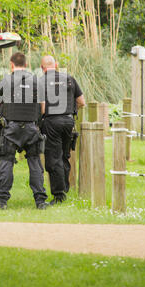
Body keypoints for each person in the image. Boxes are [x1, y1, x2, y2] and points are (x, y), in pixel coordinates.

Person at [0, 52, 49, 210]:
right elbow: (43, 109)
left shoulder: (5, 81)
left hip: (11, 129)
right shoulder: (37, 82)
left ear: (12, 64)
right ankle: (40, 202)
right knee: (35, 163)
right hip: (31, 128)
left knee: (6, 163)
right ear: (26, 64)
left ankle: (2, 202)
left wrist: (7, 117)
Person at [39, 55, 85, 204]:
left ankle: (59, 196)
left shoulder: (41, 81)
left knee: (54, 159)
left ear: (42, 68)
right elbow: (81, 102)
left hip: (52, 122)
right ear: (56, 65)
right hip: (68, 122)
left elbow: (41, 108)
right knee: (65, 156)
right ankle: (65, 189)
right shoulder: (69, 79)